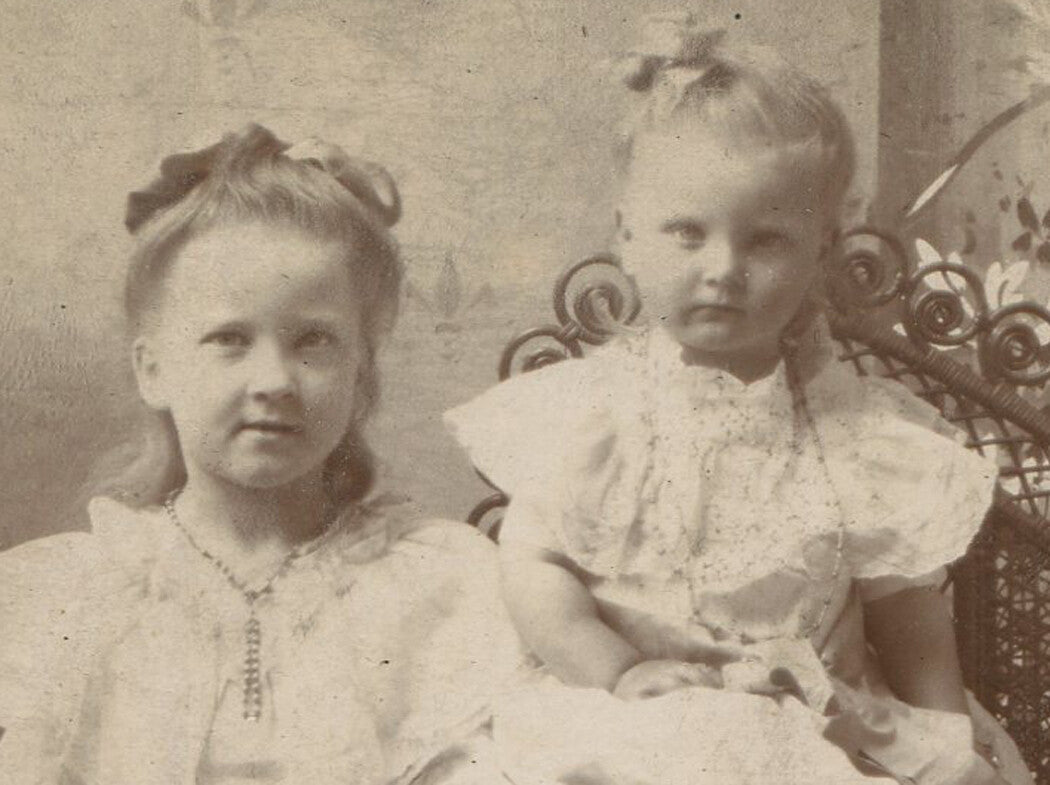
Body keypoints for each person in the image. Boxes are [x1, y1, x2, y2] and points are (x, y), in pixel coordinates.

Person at [445, 18, 1032, 785]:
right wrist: (617, 669)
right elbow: (535, 567)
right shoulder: (588, 416)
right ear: (626, 234)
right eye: (688, 233)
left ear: (822, 248)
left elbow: (910, 618)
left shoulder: (857, 433)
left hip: (814, 735)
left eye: (766, 241)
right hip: (633, 715)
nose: (723, 268)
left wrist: (947, 746)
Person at [0, 124, 521, 785]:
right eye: (229, 338)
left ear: (362, 374)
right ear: (151, 368)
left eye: (314, 341)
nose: (274, 379)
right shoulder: (70, 595)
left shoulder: (442, 588)